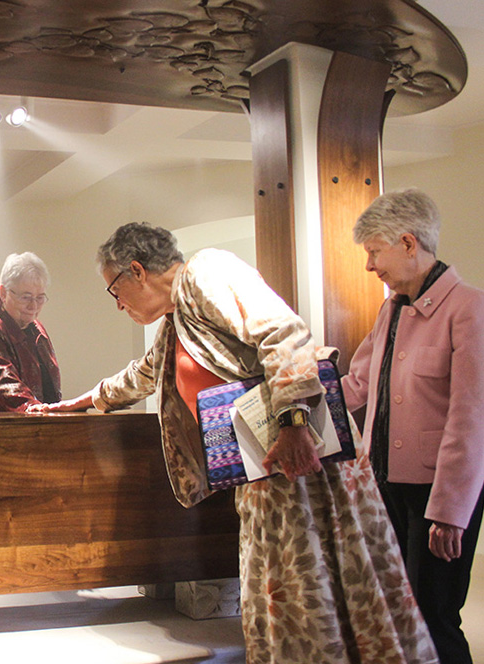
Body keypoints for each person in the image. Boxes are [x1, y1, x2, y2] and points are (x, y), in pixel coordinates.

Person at [29, 222, 438, 664]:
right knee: (284, 590)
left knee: (312, 582)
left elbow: (282, 332)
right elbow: (145, 373)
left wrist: (295, 423)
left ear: (137, 271)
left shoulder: (208, 271)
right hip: (266, 469)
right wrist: (85, 401)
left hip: (299, 460)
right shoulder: (176, 320)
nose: (119, 305)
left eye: (115, 290)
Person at [341, 188, 484, 664]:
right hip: (386, 486)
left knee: (435, 617)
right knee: (397, 614)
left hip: (436, 494)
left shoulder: (469, 309)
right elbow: (358, 385)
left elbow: (471, 419)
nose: (370, 266)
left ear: (408, 243)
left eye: (374, 252)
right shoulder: (392, 308)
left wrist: (449, 511)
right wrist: (286, 398)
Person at [0, 252, 61, 412]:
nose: (33, 306)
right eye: (26, 297)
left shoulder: (37, 329)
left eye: (40, 298)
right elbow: (3, 381)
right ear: (4, 292)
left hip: (37, 430)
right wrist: (37, 410)